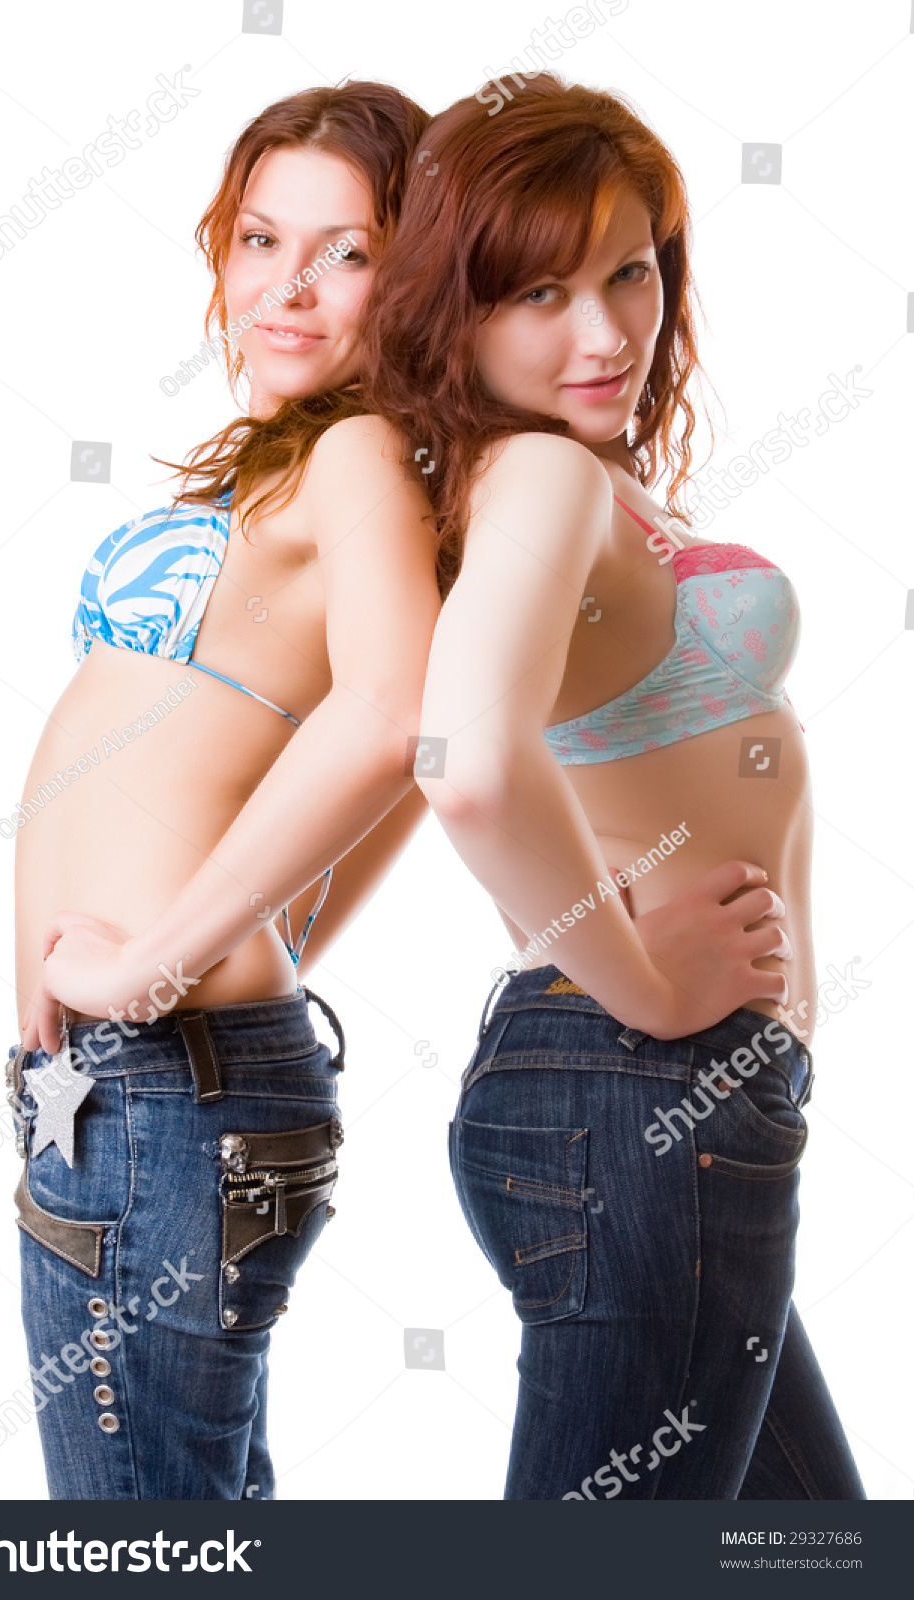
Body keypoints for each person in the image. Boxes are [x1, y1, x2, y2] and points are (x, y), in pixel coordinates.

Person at [362, 75, 864, 1500]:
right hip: (640, 1082)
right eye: (538, 294)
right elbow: (459, 764)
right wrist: (646, 984)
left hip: (666, 1100)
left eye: (630, 272)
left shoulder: (572, 475)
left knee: (813, 1549)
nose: (604, 333)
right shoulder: (540, 482)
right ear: (451, 307)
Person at [8, 80, 442, 1501]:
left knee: (143, 1539)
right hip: (136, 1077)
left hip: (167, 1071)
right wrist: (251, 943)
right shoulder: (266, 475)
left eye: (349, 252)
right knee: (186, 1523)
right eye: (261, 240)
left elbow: (398, 723)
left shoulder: (359, 451)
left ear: (422, 273)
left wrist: (160, 960)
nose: (289, 286)